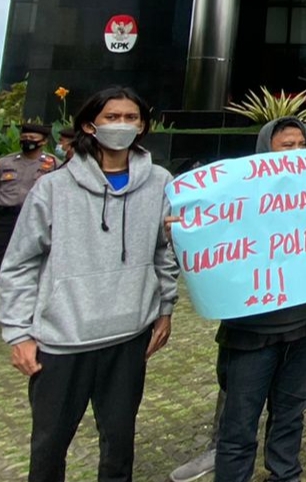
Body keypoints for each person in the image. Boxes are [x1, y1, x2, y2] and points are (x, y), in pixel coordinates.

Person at [0, 86, 178, 482]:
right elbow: (19, 265)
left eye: (131, 118)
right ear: (89, 125)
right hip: (63, 342)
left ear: (143, 125)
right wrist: (18, 332)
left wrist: (165, 308)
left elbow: (163, 252)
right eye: (112, 117)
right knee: (48, 449)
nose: (122, 125)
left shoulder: (161, 182)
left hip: (129, 336)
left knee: (119, 446)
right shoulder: (53, 188)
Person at [212, 117, 306, 482]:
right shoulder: (234, 197)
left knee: (292, 412)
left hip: (305, 325)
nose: (295, 153)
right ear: (265, 149)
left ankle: (285, 474)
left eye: (301, 145)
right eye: (286, 146)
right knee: (240, 422)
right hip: (250, 331)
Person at [168, 356, 306, 481]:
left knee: (298, 358)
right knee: (240, 361)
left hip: (288, 299)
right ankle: (221, 448)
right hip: (249, 297)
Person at [0, 123, 56, 260]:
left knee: (26, 254)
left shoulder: (53, 164)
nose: (27, 140)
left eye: (31, 137)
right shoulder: (5, 162)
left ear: (43, 141)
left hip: (34, 216)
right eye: (24, 137)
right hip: (6, 216)